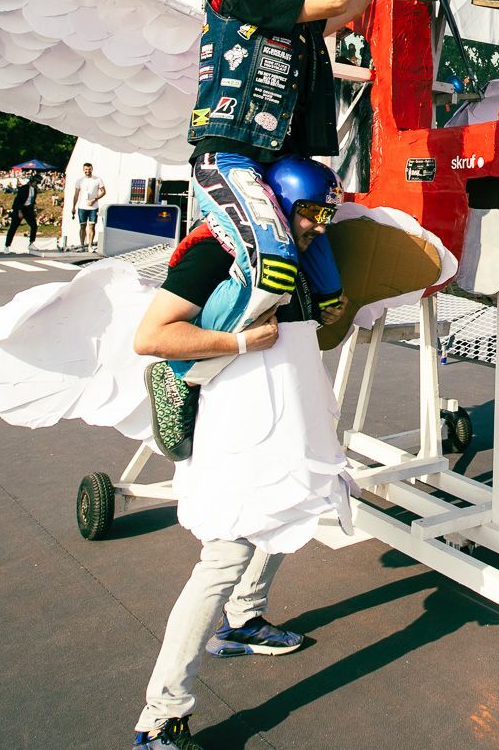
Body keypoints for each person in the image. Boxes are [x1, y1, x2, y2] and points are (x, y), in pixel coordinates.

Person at [144, 0, 399, 460]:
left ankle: (303, 310)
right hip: (230, 156)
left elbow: (347, 6)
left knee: (313, 222)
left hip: (266, 160)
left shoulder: (283, 16)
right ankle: (183, 366)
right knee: (276, 258)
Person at [131, 158, 343, 750]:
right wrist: (241, 340)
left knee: (289, 514)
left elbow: (301, 343)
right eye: (312, 212)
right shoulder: (215, 251)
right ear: (280, 202)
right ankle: (161, 714)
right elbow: (153, 337)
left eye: (328, 214)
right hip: (236, 432)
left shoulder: (296, 255)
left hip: (284, 430)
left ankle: (244, 621)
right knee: (223, 558)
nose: (321, 226)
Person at [70, 162, 107, 254]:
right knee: (82, 226)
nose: (87, 171)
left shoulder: (98, 179)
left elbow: (103, 192)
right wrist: (73, 207)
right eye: (86, 169)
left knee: (92, 226)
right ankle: (82, 245)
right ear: (83, 170)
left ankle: (90, 245)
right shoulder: (80, 180)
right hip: (82, 206)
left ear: (92, 169)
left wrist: (94, 199)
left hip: (93, 207)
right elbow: (76, 194)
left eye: (89, 169)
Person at [3, 171, 42, 251]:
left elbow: (32, 200)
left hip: (28, 209)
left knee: (34, 225)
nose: (36, 185)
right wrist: (19, 211)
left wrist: (34, 208)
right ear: (33, 181)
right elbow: (17, 201)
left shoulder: (34, 190)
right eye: (36, 183)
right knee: (13, 227)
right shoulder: (24, 188)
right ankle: (7, 246)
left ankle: (31, 243)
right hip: (19, 208)